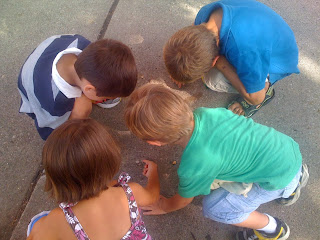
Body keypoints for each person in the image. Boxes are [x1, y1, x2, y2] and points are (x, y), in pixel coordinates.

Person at [124, 84, 309, 240]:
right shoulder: (206, 113)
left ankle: (272, 229)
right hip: (288, 150)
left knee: (214, 208)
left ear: (154, 143)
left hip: (278, 178)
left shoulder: (194, 165)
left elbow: (182, 201)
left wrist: (163, 206)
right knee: (274, 171)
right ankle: (293, 185)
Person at [26, 118, 159, 240]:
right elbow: (152, 196)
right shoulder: (130, 192)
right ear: (111, 162)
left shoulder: (57, 220)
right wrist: (153, 175)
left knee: (36, 222)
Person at [163, 0, 299, 117]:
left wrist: (222, 65)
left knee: (213, 80)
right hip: (266, 30)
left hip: (278, 60)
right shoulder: (205, 16)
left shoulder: (245, 52)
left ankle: (266, 86)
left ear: (215, 60)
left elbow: (256, 98)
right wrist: (178, 68)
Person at [18, 34, 138, 140]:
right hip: (33, 86)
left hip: (49, 53)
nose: (110, 98)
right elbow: (52, 131)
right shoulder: (54, 102)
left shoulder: (81, 43)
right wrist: (77, 117)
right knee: (63, 128)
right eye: (107, 96)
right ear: (89, 89)